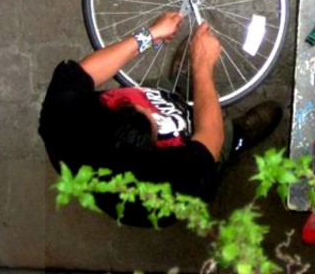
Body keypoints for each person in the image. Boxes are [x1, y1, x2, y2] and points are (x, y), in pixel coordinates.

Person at [38, 12, 283, 227]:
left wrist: (149, 35)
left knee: (165, 91)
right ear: (148, 149)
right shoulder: (167, 187)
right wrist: (202, 67)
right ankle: (236, 137)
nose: (151, 111)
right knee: (218, 143)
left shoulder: (62, 117)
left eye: (127, 106)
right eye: (151, 121)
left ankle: (179, 85)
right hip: (200, 151)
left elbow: (84, 72)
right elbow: (209, 138)